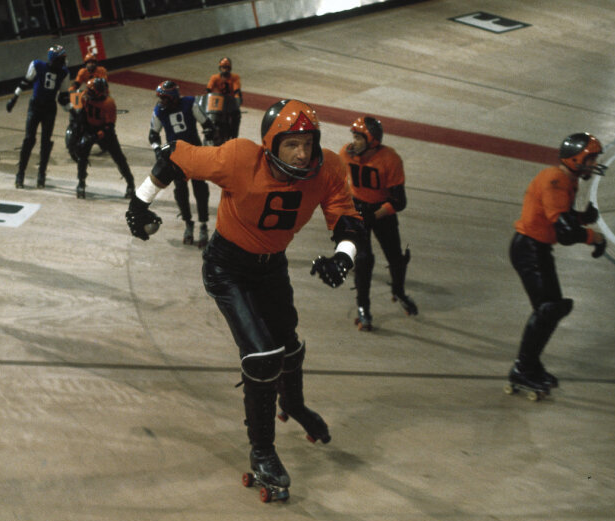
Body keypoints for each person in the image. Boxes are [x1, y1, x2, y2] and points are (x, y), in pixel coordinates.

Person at [125, 99, 365, 497]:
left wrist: (343, 257)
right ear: (271, 144)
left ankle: (293, 405)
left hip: (272, 266)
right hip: (227, 268)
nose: (303, 154)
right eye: (292, 144)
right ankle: (262, 451)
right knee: (263, 356)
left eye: (308, 143)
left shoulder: (328, 169)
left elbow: (348, 221)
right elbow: (174, 156)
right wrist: (139, 204)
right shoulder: (239, 158)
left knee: (289, 346)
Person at [508, 132, 607, 395]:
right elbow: (565, 233)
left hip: (536, 248)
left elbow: (562, 216)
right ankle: (523, 368)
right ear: (575, 159)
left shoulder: (567, 180)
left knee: (549, 310)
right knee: (548, 309)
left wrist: (582, 218)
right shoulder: (556, 180)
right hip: (529, 249)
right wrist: (593, 237)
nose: (594, 164)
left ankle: (530, 364)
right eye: (591, 158)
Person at [338, 116, 417, 331]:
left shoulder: (390, 159)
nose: (354, 142)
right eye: (354, 137)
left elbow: (399, 202)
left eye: (359, 138)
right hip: (358, 208)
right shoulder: (346, 153)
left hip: (382, 210)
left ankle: (398, 292)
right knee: (364, 260)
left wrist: (374, 216)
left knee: (396, 258)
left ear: (372, 141)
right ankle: (363, 307)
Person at [148, 80, 217, 247]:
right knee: (180, 192)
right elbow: (153, 135)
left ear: (173, 97)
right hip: (176, 156)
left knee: (200, 190)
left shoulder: (189, 103)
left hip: (194, 153)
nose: (161, 101)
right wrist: (158, 149)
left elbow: (208, 125)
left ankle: (203, 224)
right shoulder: (160, 110)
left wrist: (208, 138)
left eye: (164, 98)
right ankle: (188, 223)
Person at [6, 45, 71, 188]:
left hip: (49, 108)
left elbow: (63, 96)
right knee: (29, 139)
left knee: (45, 142)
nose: (64, 62)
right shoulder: (38, 66)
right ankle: (20, 173)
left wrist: (72, 110)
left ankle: (41, 174)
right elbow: (25, 81)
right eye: (61, 59)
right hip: (35, 106)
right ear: (54, 59)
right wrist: (14, 98)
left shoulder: (64, 73)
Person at [72, 77, 135, 200]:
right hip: (89, 128)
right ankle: (81, 182)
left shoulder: (108, 103)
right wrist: (79, 129)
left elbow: (109, 127)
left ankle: (130, 183)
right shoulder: (84, 96)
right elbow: (78, 110)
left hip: (104, 132)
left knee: (119, 158)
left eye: (91, 91)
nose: (87, 92)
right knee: (82, 155)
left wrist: (95, 136)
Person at [205, 57, 242, 140]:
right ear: (220, 68)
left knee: (236, 115)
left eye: (227, 67)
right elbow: (208, 89)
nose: (225, 70)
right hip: (218, 102)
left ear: (230, 68)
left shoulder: (235, 77)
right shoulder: (214, 77)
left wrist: (237, 100)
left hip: (230, 103)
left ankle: (234, 136)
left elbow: (237, 90)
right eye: (223, 67)